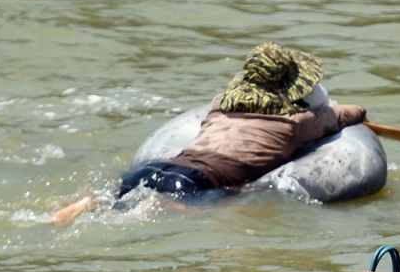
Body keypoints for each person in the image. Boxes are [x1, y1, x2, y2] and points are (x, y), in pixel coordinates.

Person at [51, 44, 365, 223]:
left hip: (162, 168)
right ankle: (158, 206)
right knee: (225, 205)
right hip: (199, 183)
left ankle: (84, 204)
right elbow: (342, 115)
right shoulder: (295, 124)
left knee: (113, 199)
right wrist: (348, 111)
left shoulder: (220, 106)